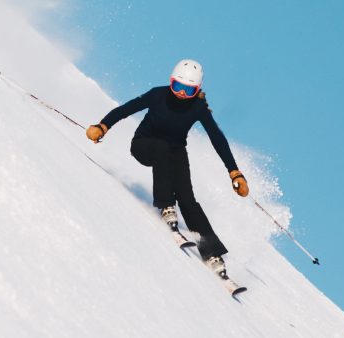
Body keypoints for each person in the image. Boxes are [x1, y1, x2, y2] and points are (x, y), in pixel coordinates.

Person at [86, 59, 249, 276]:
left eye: (188, 90)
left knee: (188, 198)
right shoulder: (158, 95)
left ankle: (211, 253)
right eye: (178, 86)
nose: (181, 93)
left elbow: (216, 137)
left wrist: (234, 171)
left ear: (198, 90)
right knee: (162, 148)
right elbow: (127, 109)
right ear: (170, 82)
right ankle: (166, 205)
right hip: (144, 145)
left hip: (174, 151)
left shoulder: (198, 107)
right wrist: (103, 126)